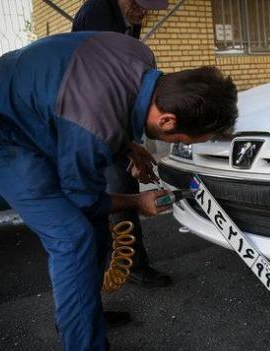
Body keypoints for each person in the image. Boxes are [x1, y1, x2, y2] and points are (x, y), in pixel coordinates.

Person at [0, 32, 238, 351]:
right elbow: (86, 196)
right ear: (167, 121)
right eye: (183, 139)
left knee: (93, 229)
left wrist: (128, 145)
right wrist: (138, 203)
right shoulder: (91, 129)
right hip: (3, 138)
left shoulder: (141, 56)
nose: (179, 142)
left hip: (41, 114)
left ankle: (80, 316)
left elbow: (104, 97)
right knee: (72, 236)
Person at [72, 0, 172, 288]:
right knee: (103, 198)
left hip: (110, 120)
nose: (144, 12)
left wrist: (131, 140)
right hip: (89, 122)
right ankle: (118, 269)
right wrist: (126, 143)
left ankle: (129, 266)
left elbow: (125, 80)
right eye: (139, 4)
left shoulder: (128, 14)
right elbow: (100, 87)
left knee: (121, 186)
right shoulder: (97, 15)